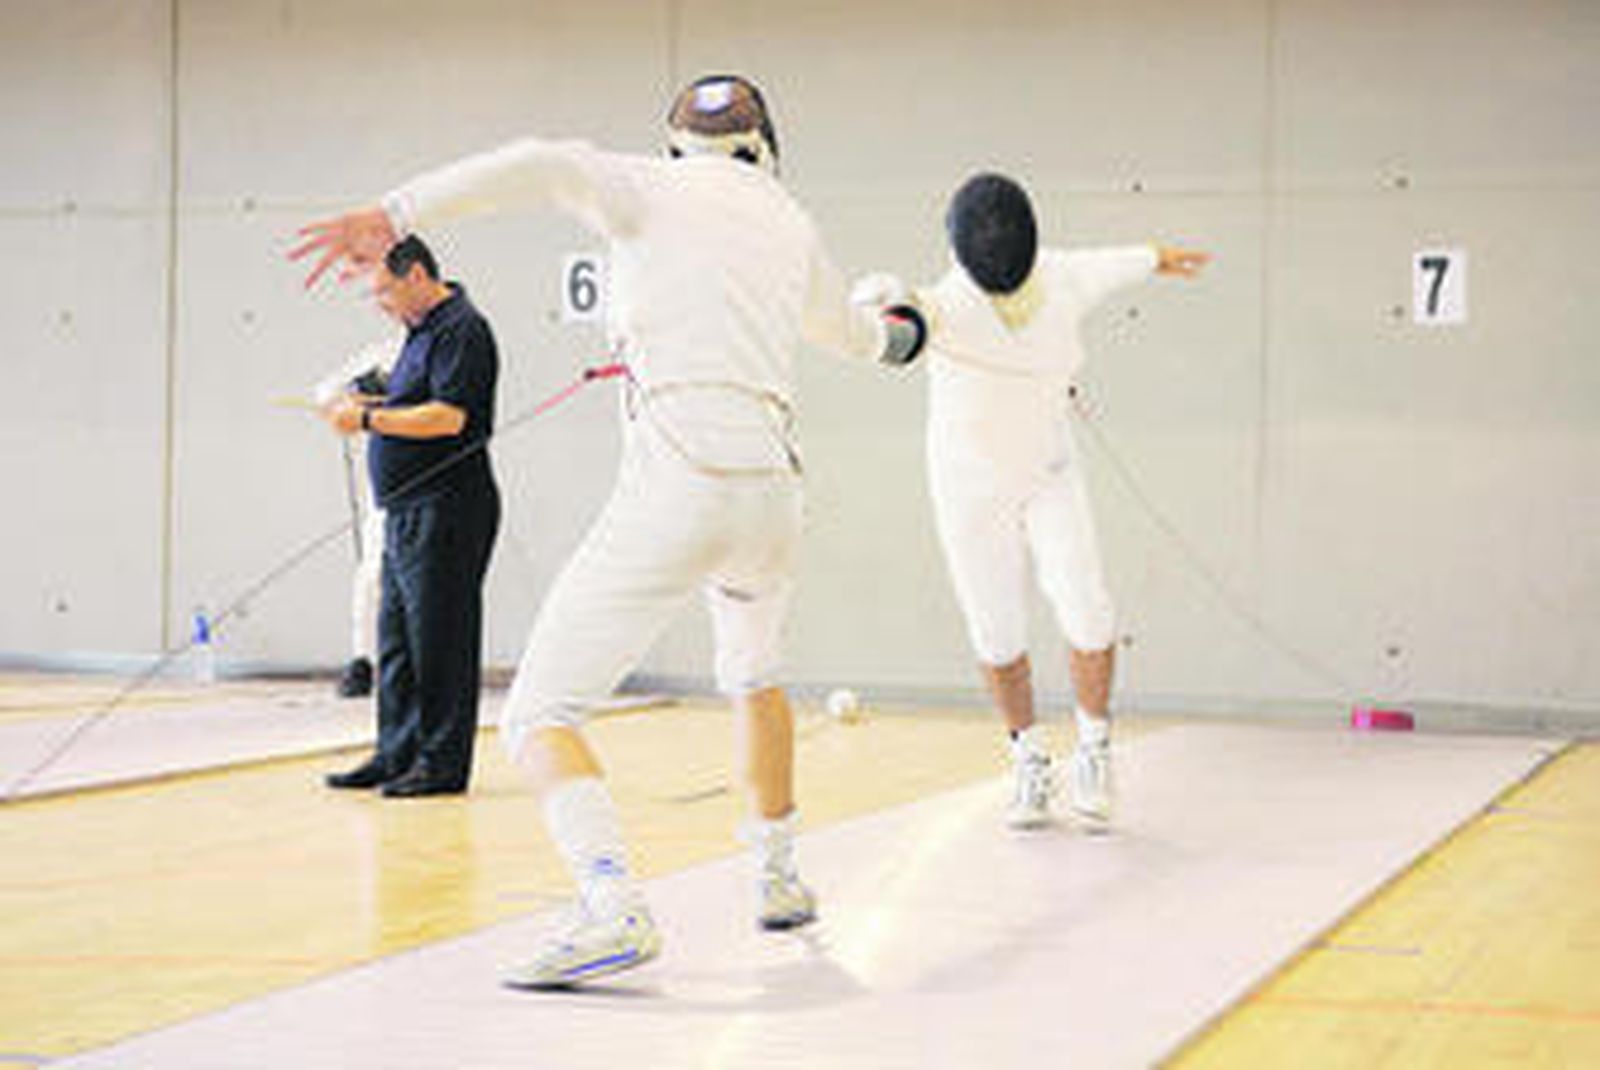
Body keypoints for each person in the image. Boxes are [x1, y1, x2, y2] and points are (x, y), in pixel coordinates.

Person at [292, 75, 922, 985]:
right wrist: (904, 323)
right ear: (765, 146)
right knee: (754, 675)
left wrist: (395, 212)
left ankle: (611, 901)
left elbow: (538, 164)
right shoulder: (788, 219)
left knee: (541, 712)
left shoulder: (644, 185)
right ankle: (779, 876)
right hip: (771, 497)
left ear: (676, 144)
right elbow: (868, 340)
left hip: (680, 487)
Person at [853, 172, 1208, 832]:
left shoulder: (1062, 276)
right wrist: (875, 315)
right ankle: (1029, 758)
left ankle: (1094, 749)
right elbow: (903, 336)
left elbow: (1121, 261)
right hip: (966, 488)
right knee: (995, 629)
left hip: (1049, 471)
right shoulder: (941, 303)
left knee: (1088, 608)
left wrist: (1161, 257)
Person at [319, 236, 502, 799]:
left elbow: (449, 417)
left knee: (440, 641)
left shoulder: (462, 329)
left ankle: (441, 763)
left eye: (385, 292)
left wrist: (367, 423)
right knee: (397, 642)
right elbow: (413, 403)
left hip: (447, 507)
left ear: (417, 274)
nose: (381, 304)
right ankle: (396, 752)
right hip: (405, 510)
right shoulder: (418, 333)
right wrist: (370, 405)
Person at [311, 337, 398, 699]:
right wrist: (357, 394)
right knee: (371, 576)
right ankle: (363, 660)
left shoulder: (447, 346)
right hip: (387, 493)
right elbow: (325, 393)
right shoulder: (384, 352)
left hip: (437, 490)